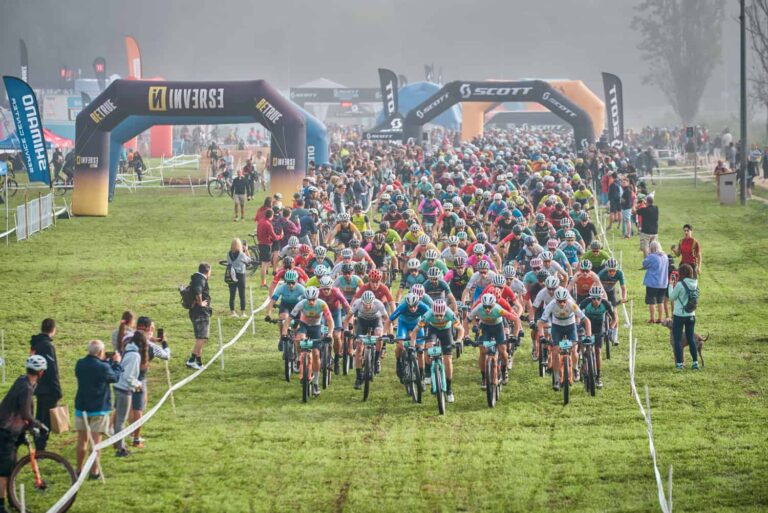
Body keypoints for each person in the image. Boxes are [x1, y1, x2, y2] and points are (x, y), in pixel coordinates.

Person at [0, 355, 48, 513]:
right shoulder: (27, 387)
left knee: (11, 466)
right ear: (41, 372)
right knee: (4, 470)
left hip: (12, 428)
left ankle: (12, 499)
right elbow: (26, 413)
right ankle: (1, 505)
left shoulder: (23, 380)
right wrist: (39, 425)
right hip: (7, 430)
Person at [74, 340, 121, 480]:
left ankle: (78, 469)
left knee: (82, 441)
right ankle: (94, 472)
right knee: (96, 443)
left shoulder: (80, 363)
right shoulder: (103, 367)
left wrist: (105, 362)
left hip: (82, 407)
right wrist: (116, 363)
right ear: (100, 352)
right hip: (98, 409)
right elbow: (115, 378)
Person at [28, 319, 62, 451]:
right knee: (46, 420)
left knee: (40, 416)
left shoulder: (35, 344)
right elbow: (52, 370)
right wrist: (57, 391)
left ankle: (39, 445)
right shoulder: (47, 346)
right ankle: (41, 447)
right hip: (48, 388)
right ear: (53, 329)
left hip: (38, 386)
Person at [112, 331, 145, 457]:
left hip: (119, 386)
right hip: (123, 389)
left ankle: (118, 443)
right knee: (121, 420)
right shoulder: (135, 355)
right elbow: (128, 376)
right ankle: (121, 449)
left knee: (119, 419)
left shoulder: (128, 350)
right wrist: (138, 384)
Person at [668, 264, 700, 370]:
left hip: (679, 315)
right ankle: (695, 362)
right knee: (691, 339)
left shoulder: (680, 284)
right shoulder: (695, 283)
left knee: (677, 340)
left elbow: (671, 297)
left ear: (681, 273)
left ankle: (679, 364)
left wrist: (670, 285)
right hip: (691, 314)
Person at [186, 263, 212, 370]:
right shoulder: (200, 280)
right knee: (202, 338)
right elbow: (198, 291)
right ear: (207, 271)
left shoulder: (196, 278)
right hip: (200, 313)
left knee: (200, 338)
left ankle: (199, 363)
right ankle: (191, 360)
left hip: (196, 312)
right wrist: (201, 303)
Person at [642, 241, 669, 324]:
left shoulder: (652, 256)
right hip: (663, 282)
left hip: (653, 283)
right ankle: (660, 318)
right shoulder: (665, 256)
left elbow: (644, 264)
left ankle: (652, 318)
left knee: (652, 301)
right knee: (660, 301)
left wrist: (647, 254)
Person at [256, 208, 282, 287]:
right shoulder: (268, 224)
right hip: (266, 245)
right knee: (264, 264)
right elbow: (274, 237)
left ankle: (263, 282)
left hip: (260, 243)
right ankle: (263, 283)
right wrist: (281, 236)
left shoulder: (260, 221)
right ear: (271, 215)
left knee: (264, 263)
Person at [227, 238, 252, 317]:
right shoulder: (241, 255)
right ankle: (242, 312)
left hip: (231, 275)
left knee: (232, 295)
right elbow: (249, 260)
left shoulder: (228, 254)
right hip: (240, 275)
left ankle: (233, 312)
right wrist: (246, 250)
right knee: (242, 295)